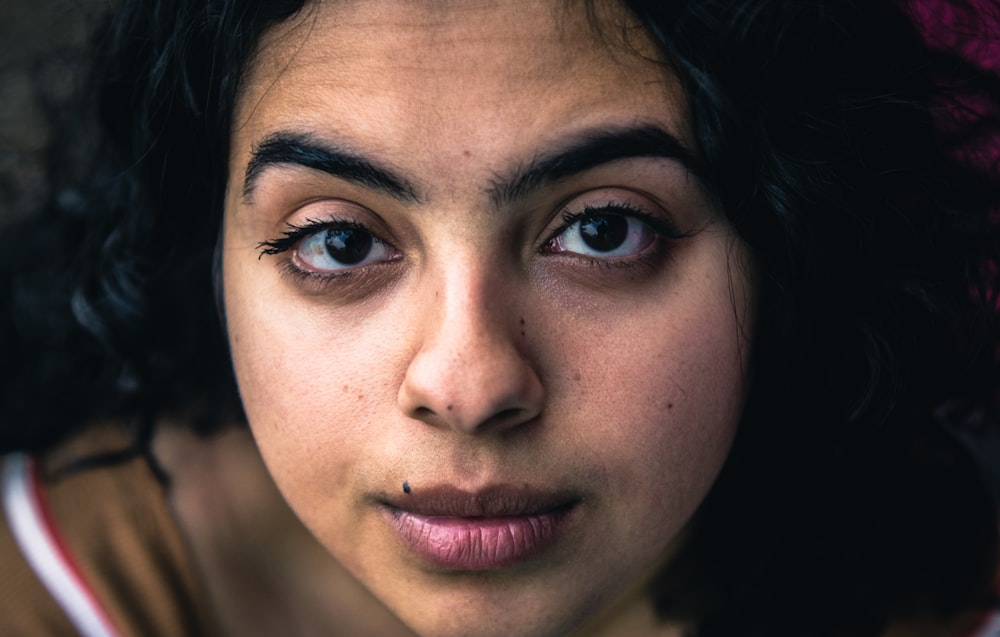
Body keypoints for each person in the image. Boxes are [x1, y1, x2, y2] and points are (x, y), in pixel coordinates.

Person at [1, 0, 998, 636]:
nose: (469, 386)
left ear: (789, 244)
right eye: (341, 241)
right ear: (205, 255)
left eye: (603, 230)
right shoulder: (47, 584)